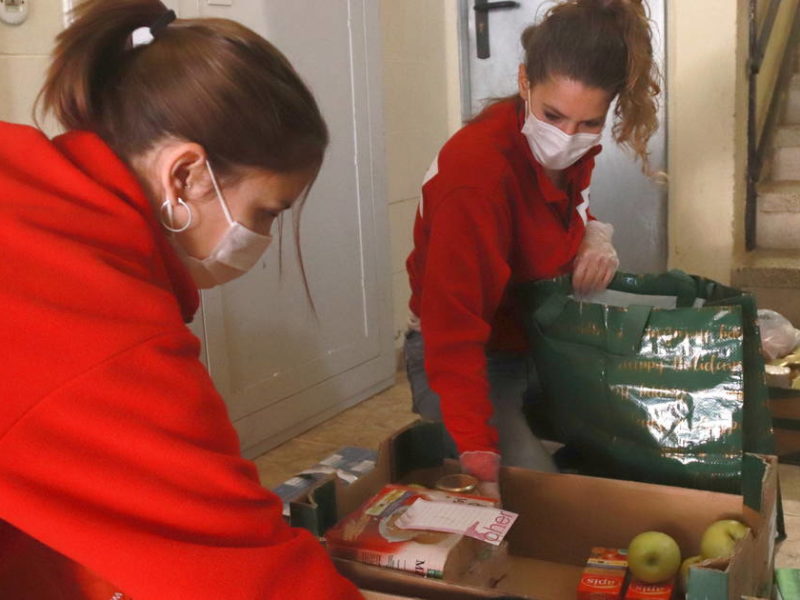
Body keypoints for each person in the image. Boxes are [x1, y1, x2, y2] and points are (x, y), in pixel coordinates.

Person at [0, 1, 363, 598]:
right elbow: (246, 578)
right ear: (185, 176)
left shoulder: (30, 191)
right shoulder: (99, 329)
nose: (264, 240)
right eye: (265, 212)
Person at [404, 0, 661, 498]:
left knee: (638, 447)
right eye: (553, 115)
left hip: (535, 338)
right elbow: (453, 333)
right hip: (468, 355)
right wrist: (477, 454)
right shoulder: (475, 177)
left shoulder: (567, 152)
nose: (566, 138)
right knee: (543, 499)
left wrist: (593, 232)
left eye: (589, 123)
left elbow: (565, 213)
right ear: (524, 81)